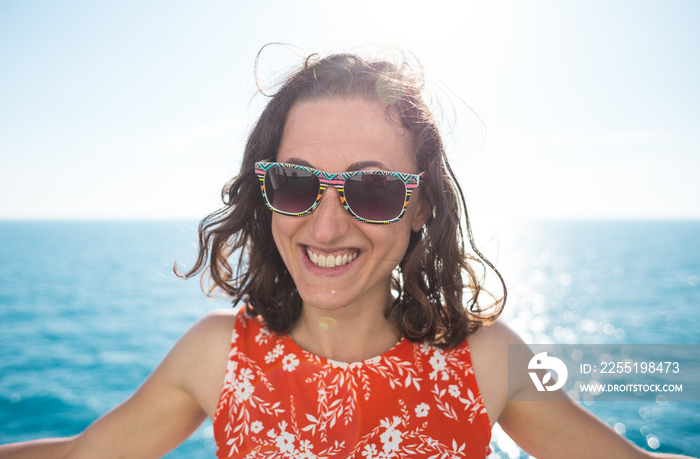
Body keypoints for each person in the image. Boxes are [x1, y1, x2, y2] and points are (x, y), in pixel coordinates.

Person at [0, 47, 694, 459]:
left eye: (372, 191)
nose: (326, 228)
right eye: (298, 184)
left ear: (421, 205)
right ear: (266, 192)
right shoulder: (216, 357)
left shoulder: (490, 361)